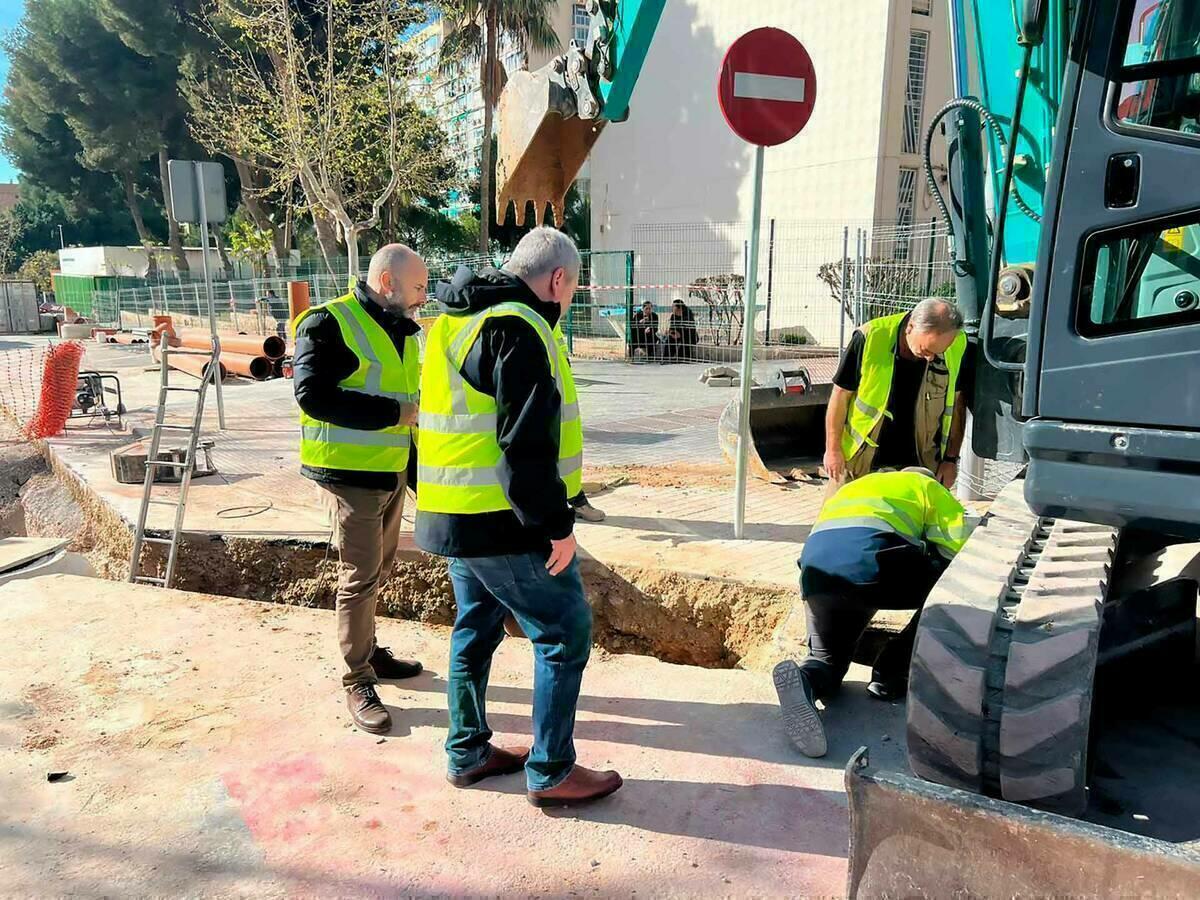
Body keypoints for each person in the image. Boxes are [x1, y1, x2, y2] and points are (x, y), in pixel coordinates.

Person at [416, 226, 621, 807]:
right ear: (558, 279)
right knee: (562, 631)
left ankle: (468, 751)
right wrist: (556, 525)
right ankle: (552, 770)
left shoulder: (455, 322)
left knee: (475, 628)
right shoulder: (519, 327)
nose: (570, 299)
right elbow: (524, 446)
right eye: (574, 288)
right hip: (502, 521)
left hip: (453, 513)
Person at [292, 244, 427, 735]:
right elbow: (313, 396)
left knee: (381, 567)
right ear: (388, 283)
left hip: (388, 471)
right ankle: (357, 678)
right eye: (416, 288)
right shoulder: (326, 323)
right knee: (361, 575)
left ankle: (368, 652)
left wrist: (418, 482)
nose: (422, 298)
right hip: (348, 475)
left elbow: (407, 412)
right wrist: (392, 415)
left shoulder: (405, 332)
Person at [773, 468, 971, 758]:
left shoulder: (854, 488)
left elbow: (837, 543)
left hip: (816, 576)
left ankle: (805, 681)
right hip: (874, 568)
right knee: (957, 582)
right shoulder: (926, 486)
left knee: (826, 660)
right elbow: (959, 550)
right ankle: (892, 671)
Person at [823, 298, 971, 492]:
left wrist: (951, 460)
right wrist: (833, 450)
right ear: (910, 327)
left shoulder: (957, 344)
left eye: (937, 353)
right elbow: (840, 396)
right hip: (859, 463)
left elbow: (958, 405)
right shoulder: (871, 336)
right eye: (926, 350)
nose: (930, 358)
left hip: (920, 465)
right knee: (838, 518)